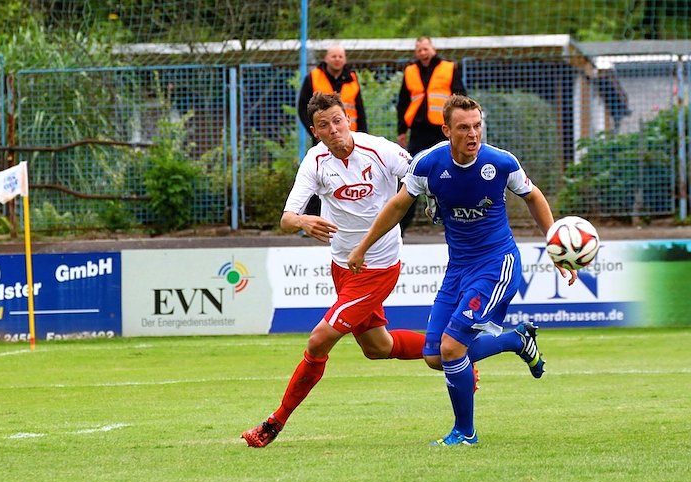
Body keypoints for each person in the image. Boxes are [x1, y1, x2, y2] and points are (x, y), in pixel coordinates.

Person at [348, 95, 577, 447]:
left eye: (477, 126)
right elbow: (397, 205)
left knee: (453, 348)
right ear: (446, 130)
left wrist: (556, 245)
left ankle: (465, 433)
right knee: (434, 356)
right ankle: (515, 340)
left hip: (497, 265)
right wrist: (363, 247)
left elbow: (534, 196)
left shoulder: (500, 163)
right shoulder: (428, 164)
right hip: (458, 270)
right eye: (464, 128)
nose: (473, 134)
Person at [241, 92, 424, 448]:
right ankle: (456, 352)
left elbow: (420, 173)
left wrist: (435, 201)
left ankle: (273, 424)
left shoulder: (381, 151)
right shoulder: (315, 161)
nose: (334, 130)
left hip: (378, 267)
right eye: (324, 125)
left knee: (319, 339)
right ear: (315, 131)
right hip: (342, 267)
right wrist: (303, 222)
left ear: (349, 120)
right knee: (378, 347)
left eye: (338, 121)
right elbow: (285, 219)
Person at [396, 36, 466, 236]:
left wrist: (457, 128)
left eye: (425, 48)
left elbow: (461, 98)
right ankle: (399, 227)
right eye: (419, 49)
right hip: (418, 130)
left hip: (442, 129)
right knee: (410, 173)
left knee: (451, 172)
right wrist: (402, 129)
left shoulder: (449, 67)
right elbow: (402, 102)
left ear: (432, 49)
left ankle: (454, 222)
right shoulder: (410, 71)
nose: (422, 52)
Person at [296, 45, 368, 218]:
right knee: (318, 174)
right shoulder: (313, 77)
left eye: (340, 56)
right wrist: (318, 134)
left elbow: (360, 108)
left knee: (353, 176)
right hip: (325, 139)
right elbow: (302, 108)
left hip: (351, 139)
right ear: (326, 58)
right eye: (333, 56)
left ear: (345, 59)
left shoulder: (352, 78)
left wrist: (364, 134)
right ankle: (311, 216)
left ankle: (353, 214)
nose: (337, 59)